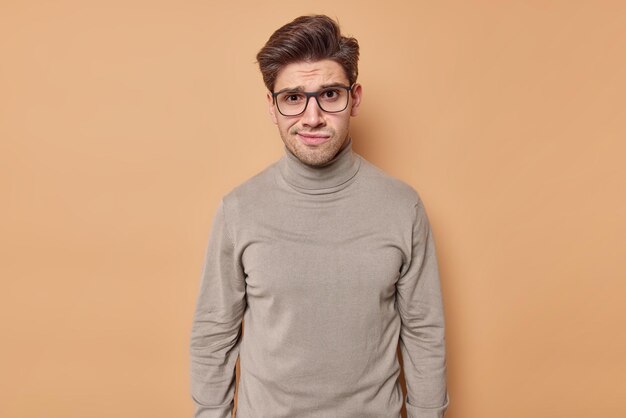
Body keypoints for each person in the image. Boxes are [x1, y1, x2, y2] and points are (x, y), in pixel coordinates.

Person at [190, 14, 449, 418]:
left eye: (329, 94)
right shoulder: (238, 210)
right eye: (293, 98)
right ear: (272, 107)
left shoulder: (403, 207)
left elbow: (424, 332)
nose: (312, 117)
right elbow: (213, 334)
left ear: (355, 98)